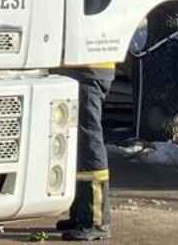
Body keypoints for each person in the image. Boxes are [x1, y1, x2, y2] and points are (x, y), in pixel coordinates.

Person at [55, 64, 116, 241]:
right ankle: (81, 215)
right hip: (82, 71)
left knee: (89, 145)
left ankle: (95, 221)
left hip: (87, 72)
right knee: (78, 146)